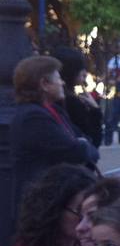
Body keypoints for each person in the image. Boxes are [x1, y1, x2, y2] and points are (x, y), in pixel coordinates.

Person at [10, 54, 99, 210]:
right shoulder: (33, 117)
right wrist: (82, 145)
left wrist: (83, 145)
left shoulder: (54, 110)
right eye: (58, 78)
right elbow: (77, 152)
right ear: (44, 84)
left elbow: (88, 144)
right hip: (42, 206)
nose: (62, 82)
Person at [52, 45, 103, 147]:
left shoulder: (51, 99)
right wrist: (95, 111)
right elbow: (93, 141)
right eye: (80, 69)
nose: (84, 73)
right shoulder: (72, 102)